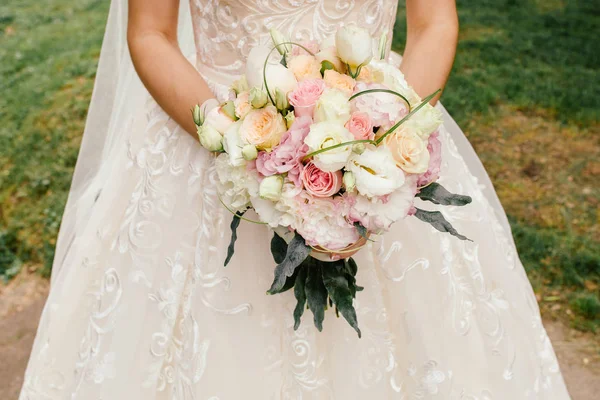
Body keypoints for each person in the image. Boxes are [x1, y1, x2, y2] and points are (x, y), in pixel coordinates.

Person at [20, 0, 571, 398]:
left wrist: (380, 148)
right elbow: (150, 35)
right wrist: (242, 145)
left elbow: (434, 23)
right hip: (210, 150)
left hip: (376, 140)